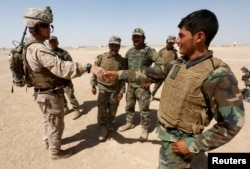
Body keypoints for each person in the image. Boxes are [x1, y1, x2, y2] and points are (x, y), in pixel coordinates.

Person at [105, 9, 245, 168]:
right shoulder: (177, 64)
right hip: (167, 135)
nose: (177, 41)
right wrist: (118, 74)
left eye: (181, 36)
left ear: (199, 37)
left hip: (181, 142)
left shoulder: (218, 75)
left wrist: (194, 144)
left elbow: (233, 123)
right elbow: (148, 73)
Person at [22, 7, 105, 160]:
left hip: (42, 93)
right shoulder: (38, 49)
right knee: (55, 123)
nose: (49, 30)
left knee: (48, 119)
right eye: (45, 25)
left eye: (49, 25)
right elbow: (61, 68)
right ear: (34, 26)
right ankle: (55, 151)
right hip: (49, 94)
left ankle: (48, 142)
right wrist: (87, 67)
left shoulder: (29, 45)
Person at [118, 27, 160, 142]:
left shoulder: (148, 51)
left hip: (142, 87)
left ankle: (145, 128)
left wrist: (151, 80)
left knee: (144, 109)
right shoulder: (129, 52)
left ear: (143, 38)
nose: (136, 39)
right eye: (134, 37)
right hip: (131, 86)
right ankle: (130, 122)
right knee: (129, 106)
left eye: (138, 37)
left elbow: (160, 63)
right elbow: (125, 68)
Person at [91, 36, 126, 141]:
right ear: (109, 46)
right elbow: (94, 71)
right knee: (102, 110)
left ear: (119, 46)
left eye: (116, 46)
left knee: (112, 109)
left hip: (114, 90)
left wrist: (121, 91)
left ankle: (110, 123)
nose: (114, 48)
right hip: (102, 88)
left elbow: (122, 77)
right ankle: (103, 127)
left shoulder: (122, 61)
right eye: (112, 45)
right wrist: (93, 85)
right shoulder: (101, 57)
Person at [48, 35, 81, 120]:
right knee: (60, 95)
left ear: (57, 42)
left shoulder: (63, 53)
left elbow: (70, 63)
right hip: (55, 79)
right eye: (51, 42)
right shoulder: (48, 53)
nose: (53, 43)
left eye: (54, 42)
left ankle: (77, 109)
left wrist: (61, 63)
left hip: (65, 79)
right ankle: (66, 108)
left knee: (70, 95)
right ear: (49, 43)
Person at [150, 35, 178, 101]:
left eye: (172, 43)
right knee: (156, 86)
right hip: (161, 72)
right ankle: (152, 96)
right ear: (166, 42)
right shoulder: (161, 51)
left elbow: (176, 64)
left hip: (169, 73)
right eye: (169, 42)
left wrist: (174, 74)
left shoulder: (175, 52)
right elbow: (156, 61)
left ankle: (167, 99)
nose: (170, 44)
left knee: (168, 87)